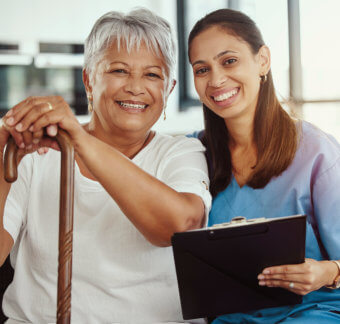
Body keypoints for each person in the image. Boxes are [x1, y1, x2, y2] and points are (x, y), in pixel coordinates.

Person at [0, 8, 211, 324]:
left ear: (168, 89)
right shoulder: (34, 156)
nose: (135, 87)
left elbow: (179, 227)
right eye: (119, 71)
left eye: (152, 74)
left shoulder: (181, 152)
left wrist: (81, 143)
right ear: (88, 79)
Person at [188, 8, 340, 323]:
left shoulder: (316, 152)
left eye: (229, 61)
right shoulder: (192, 154)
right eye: (201, 69)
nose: (216, 79)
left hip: (310, 312)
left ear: (263, 61)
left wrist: (327, 271)